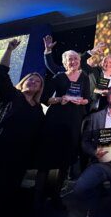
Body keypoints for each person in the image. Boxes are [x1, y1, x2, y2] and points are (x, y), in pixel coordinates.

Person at [0, 39, 45, 217]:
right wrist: (8, 50)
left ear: (40, 88)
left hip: (18, 160)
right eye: (30, 78)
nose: (33, 81)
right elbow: (0, 74)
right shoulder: (10, 96)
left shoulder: (38, 108)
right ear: (23, 83)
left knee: (7, 198)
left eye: (37, 81)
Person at [66, 86, 111, 217]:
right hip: (99, 164)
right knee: (79, 188)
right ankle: (91, 203)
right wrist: (94, 152)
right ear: (107, 96)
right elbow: (85, 142)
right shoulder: (95, 117)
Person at [37, 49, 90, 207]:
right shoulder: (58, 76)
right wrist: (60, 99)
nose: (73, 61)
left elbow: (88, 98)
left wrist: (81, 101)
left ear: (79, 61)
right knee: (47, 158)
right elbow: (45, 98)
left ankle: (55, 195)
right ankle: (38, 197)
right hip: (55, 119)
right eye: (70, 59)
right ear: (65, 62)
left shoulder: (85, 77)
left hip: (74, 120)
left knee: (65, 159)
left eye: (75, 58)